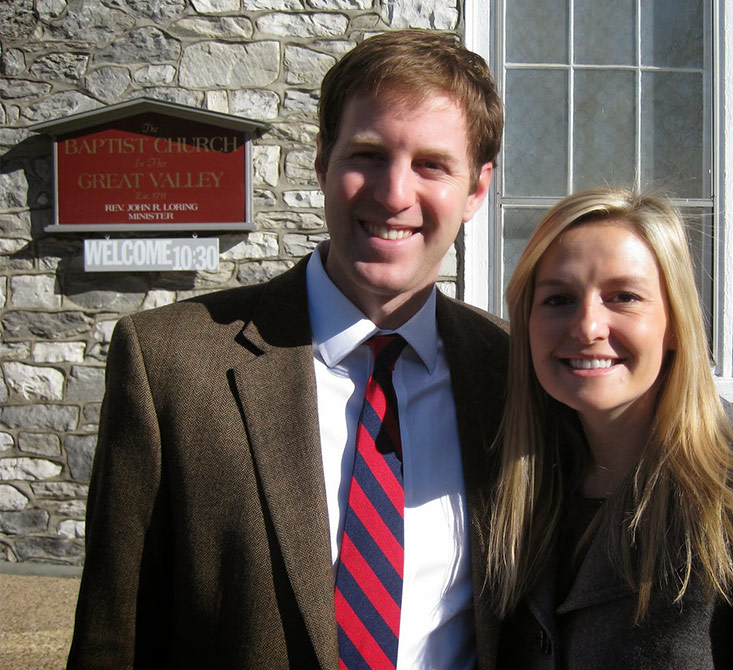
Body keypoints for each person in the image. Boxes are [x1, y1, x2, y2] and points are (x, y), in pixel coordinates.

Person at [69, 30, 507, 669]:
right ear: (322, 160)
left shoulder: (511, 372)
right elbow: (114, 641)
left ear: (475, 189)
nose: (393, 193)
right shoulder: (168, 365)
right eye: (368, 153)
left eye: (432, 165)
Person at [489, 188, 733, 669]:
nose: (586, 327)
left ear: (675, 322)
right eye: (558, 298)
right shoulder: (516, 478)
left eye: (624, 296)